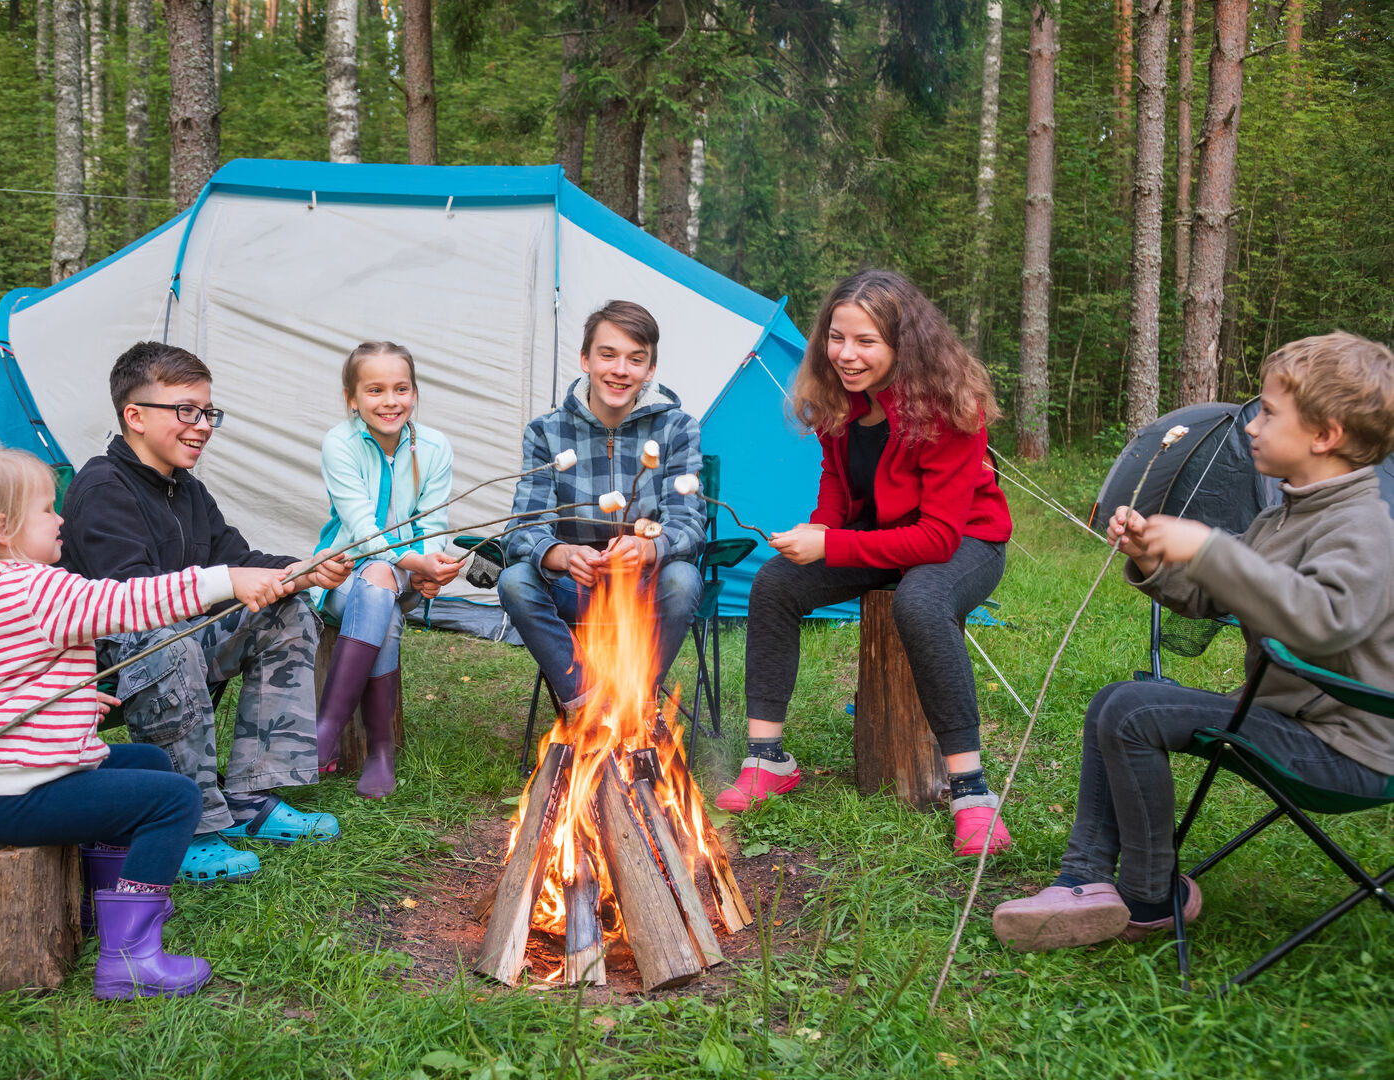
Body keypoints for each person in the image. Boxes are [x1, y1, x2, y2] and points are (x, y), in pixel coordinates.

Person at [993, 331, 1394, 950]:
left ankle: (1151, 897)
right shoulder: (1284, 513)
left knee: (1134, 709)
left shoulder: (1363, 527)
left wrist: (1210, 547)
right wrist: (1154, 559)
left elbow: (1324, 619)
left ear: (1325, 435)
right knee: (1118, 699)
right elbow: (1214, 602)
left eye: (1268, 411)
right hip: (1292, 719)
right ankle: (1085, 881)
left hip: (1350, 750)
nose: (1252, 425)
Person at [0, 446, 305, 998]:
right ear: (2, 529)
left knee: (147, 761)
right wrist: (225, 579)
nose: (60, 518)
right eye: (47, 509)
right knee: (175, 799)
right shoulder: (33, 588)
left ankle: (99, 905)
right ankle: (130, 956)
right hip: (29, 792)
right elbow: (130, 602)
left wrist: (60, 703)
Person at [717, 269, 1015, 860]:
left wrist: (832, 547)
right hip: (881, 536)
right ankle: (767, 758)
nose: (846, 355)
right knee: (776, 583)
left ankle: (972, 793)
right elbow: (837, 480)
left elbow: (935, 537)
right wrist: (821, 528)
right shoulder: (839, 398)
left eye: (866, 342)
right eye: (837, 337)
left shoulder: (951, 408)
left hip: (964, 544)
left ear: (904, 345)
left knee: (922, 601)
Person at [60, 342, 351, 886]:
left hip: (173, 642)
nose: (202, 426)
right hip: (101, 666)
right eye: (186, 411)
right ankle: (189, 819)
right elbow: (130, 603)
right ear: (135, 416)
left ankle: (248, 795)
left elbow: (238, 561)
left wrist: (304, 570)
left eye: (207, 413)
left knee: (285, 612)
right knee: (164, 638)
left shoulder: (186, 490)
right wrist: (227, 584)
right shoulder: (102, 487)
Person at [497, 300, 706, 715]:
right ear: (585, 360)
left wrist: (647, 548)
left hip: (646, 585)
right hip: (575, 585)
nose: (620, 370)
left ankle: (637, 700)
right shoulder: (547, 432)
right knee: (515, 581)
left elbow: (688, 524)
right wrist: (562, 554)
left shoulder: (678, 428)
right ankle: (589, 703)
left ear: (650, 369)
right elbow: (523, 527)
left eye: (635, 359)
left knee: (683, 579)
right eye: (607, 354)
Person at [311, 342, 458, 798]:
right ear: (351, 398)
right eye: (374, 390)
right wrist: (410, 561)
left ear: (414, 392)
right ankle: (377, 750)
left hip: (406, 577)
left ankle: (324, 734)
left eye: (401, 388)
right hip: (343, 572)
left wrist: (429, 566)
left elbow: (433, 524)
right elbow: (362, 530)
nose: (389, 401)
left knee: (384, 582)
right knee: (379, 591)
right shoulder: (340, 443)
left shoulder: (434, 447)